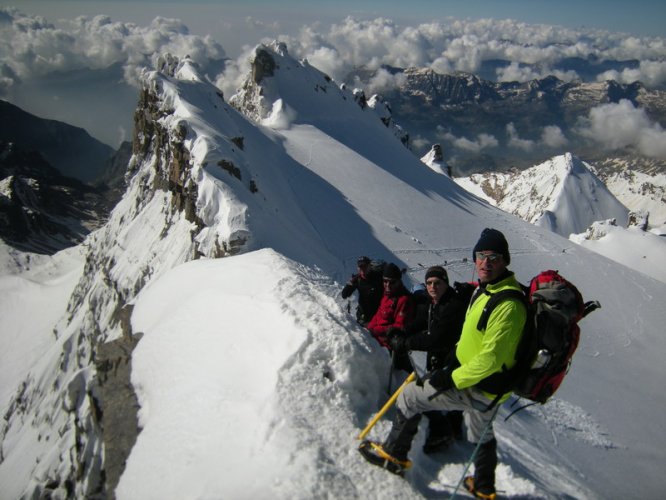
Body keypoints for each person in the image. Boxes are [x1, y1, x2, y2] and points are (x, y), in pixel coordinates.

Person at [359, 228, 527, 500]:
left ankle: (394, 455)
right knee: (480, 432)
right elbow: (469, 339)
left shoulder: (508, 304)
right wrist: (452, 361)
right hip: (489, 388)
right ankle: (484, 488)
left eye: (494, 257)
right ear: (474, 259)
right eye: (481, 255)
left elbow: (490, 359)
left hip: (477, 383)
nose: (486, 262)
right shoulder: (486, 292)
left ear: (505, 260)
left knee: (411, 397)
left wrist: (449, 377)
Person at [387, 265, 467, 453]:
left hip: (454, 359)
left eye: (437, 283)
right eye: (429, 283)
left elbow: (436, 338)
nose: (432, 287)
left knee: (428, 392)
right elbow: (423, 322)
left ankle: (444, 433)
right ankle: (454, 430)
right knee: (437, 391)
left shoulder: (453, 306)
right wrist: (402, 332)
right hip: (443, 357)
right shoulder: (435, 303)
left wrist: (405, 343)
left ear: (446, 283)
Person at [366, 263, 413, 348]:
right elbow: (378, 315)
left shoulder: (404, 300)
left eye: (392, 282)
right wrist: (368, 329)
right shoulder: (387, 295)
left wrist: (375, 330)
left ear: (399, 281)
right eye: (385, 281)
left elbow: (399, 326)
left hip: (389, 347)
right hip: (376, 342)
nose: (387, 285)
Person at [341, 256, 384, 326]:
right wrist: (350, 284)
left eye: (365, 266)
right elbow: (344, 294)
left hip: (378, 314)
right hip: (363, 315)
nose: (362, 269)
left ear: (370, 266)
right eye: (360, 266)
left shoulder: (378, 277)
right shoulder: (357, 279)